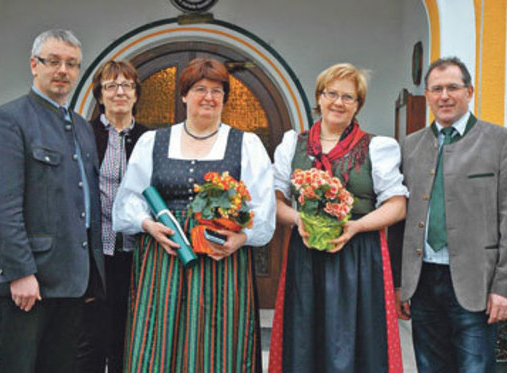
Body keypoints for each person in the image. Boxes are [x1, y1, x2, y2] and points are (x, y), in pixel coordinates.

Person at [113, 57, 275, 372]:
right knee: (158, 335)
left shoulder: (247, 144)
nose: (209, 97)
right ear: (184, 95)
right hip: (163, 257)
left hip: (221, 259)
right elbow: (129, 199)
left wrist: (239, 238)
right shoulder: (153, 141)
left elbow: (262, 209)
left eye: (217, 90)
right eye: (200, 89)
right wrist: (149, 225)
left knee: (219, 341)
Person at [268, 63, 408, 372]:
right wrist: (298, 219)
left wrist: (356, 226)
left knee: (357, 342)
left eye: (349, 97)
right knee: (304, 338)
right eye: (331, 93)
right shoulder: (294, 144)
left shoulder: (378, 147)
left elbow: (397, 205)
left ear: (358, 105)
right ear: (318, 98)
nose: (338, 103)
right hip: (306, 254)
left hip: (360, 256)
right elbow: (274, 199)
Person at [0, 29, 105, 372]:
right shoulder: (9, 119)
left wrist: (91, 275)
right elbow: (0, 207)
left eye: (72, 63)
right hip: (28, 284)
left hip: (72, 283)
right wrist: (20, 272)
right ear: (34, 65)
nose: (63, 70)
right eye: (54, 61)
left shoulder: (80, 127)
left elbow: (85, 203)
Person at [394, 57, 507, 372]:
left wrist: (505, 288)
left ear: (469, 92)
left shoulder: (502, 142)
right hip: (423, 282)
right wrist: (401, 282)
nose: (444, 96)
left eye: (452, 87)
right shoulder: (410, 146)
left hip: (476, 286)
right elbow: (399, 219)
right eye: (436, 89)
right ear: (427, 96)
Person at [76, 60, 148, 372]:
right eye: (110, 86)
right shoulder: (81, 136)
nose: (119, 92)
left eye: (127, 85)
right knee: (90, 338)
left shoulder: (150, 140)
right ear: (100, 95)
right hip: (93, 254)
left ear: (135, 94)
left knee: (129, 336)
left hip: (138, 253)